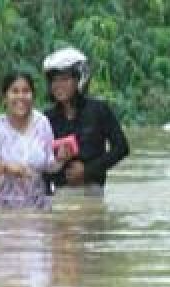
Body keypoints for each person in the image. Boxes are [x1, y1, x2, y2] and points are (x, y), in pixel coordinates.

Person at [0, 72, 68, 210]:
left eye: (26, 91)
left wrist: (61, 159)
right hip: (5, 210)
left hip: (39, 209)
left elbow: (49, 166)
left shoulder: (42, 123)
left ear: (33, 96)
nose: (21, 97)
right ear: (5, 97)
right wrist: (6, 167)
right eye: (15, 91)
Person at [41, 47, 129, 194]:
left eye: (64, 79)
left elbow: (121, 148)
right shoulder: (47, 118)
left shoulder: (99, 110)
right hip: (59, 195)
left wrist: (88, 170)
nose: (58, 85)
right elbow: (41, 165)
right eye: (54, 80)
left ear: (80, 79)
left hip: (93, 193)